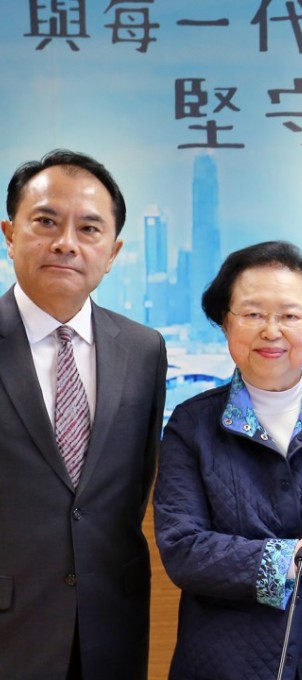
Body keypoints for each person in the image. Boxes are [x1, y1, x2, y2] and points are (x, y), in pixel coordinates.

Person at [154, 241, 302, 680]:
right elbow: (184, 550)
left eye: (290, 316)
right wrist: (298, 556)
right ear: (224, 322)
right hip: (223, 664)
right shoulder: (192, 424)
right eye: (253, 315)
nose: (271, 331)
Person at [0, 149, 167, 680]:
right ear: (9, 233)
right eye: (46, 221)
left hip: (110, 628)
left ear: (113, 251)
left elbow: (132, 485)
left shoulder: (143, 350)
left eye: (89, 229)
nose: (66, 243)